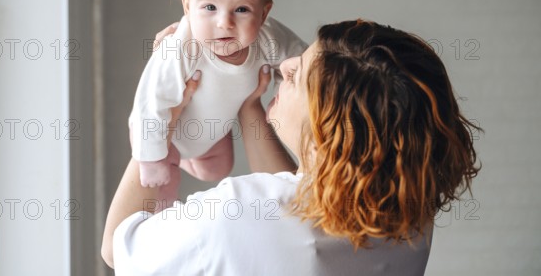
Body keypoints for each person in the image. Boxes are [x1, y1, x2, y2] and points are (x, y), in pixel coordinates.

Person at [103, 19, 480, 275]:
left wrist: (158, 116)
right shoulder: (408, 213)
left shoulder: (230, 216)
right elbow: (293, 211)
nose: (284, 65)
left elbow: (121, 249)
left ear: (329, 131)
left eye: (298, 75)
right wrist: (250, 105)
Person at [129, 0, 307, 207]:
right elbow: (151, 100)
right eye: (209, 7)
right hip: (164, 133)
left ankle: (191, 161)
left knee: (217, 169)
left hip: (212, 135)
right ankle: (171, 163)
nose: (224, 22)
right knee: (160, 191)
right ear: (187, 6)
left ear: (264, 13)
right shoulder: (181, 47)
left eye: (241, 10)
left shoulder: (268, 37)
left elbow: (302, 60)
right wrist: (151, 156)